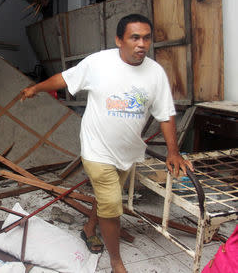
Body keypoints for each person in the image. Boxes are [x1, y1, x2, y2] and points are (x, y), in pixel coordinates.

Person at [20, 14, 193, 273]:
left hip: (127, 151)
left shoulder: (155, 73)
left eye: (146, 38)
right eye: (134, 37)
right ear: (119, 40)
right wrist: (36, 88)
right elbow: (65, 79)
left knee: (106, 199)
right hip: (96, 148)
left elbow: (165, 113)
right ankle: (116, 263)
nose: (141, 44)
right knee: (112, 205)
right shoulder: (99, 63)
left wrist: (173, 151)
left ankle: (89, 228)